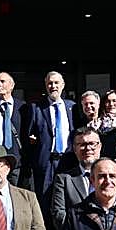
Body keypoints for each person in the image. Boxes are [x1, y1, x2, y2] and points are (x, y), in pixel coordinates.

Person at [24, 71, 75, 203]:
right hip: (46, 162)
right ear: (46, 86)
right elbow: (29, 137)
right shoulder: (36, 108)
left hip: (68, 160)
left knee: (68, 199)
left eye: (56, 83)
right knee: (45, 200)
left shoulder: (72, 107)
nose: (53, 86)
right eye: (50, 83)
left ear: (63, 85)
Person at [49, 127, 104, 229]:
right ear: (75, 149)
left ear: (99, 146)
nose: (88, 148)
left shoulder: (113, 174)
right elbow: (59, 214)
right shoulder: (64, 179)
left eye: (92, 143)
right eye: (82, 145)